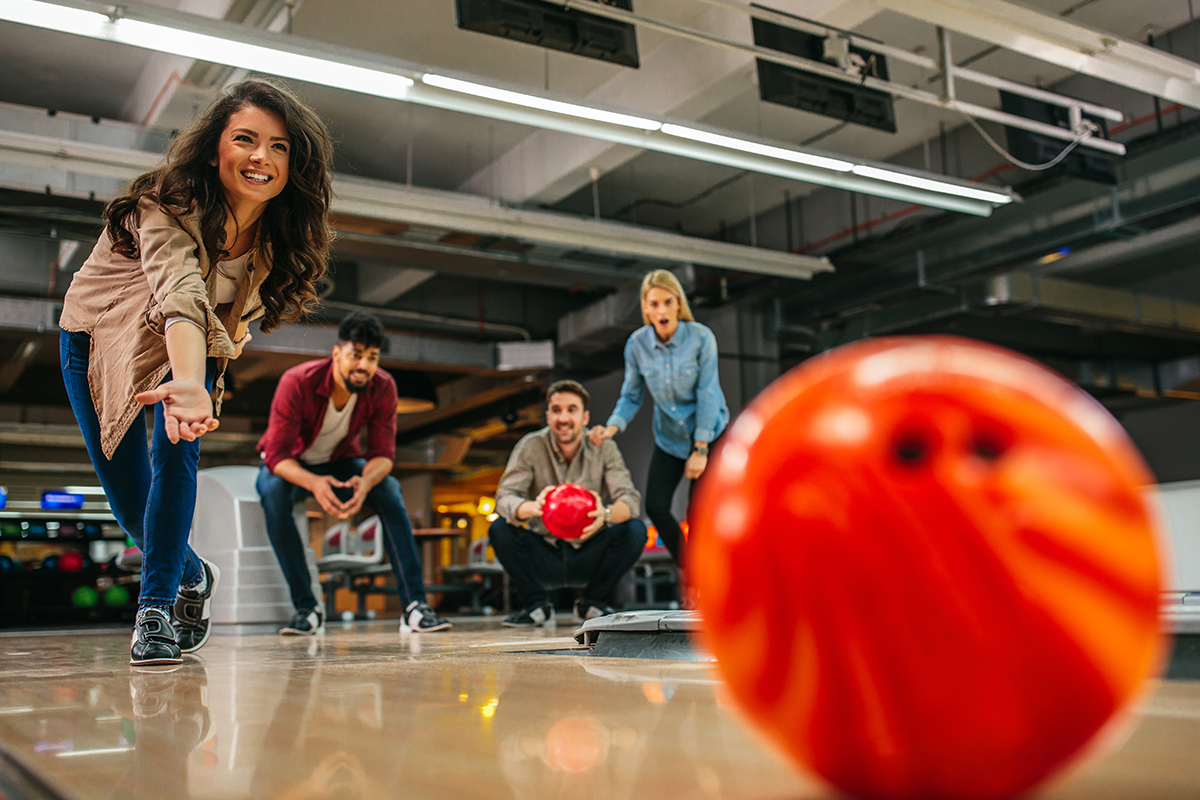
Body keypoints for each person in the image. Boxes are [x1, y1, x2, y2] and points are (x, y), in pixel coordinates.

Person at [59, 79, 335, 666]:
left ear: (294, 163)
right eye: (245, 139)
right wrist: (189, 382)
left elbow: (212, 317)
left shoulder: (276, 235)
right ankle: (193, 572)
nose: (261, 157)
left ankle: (155, 610)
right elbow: (179, 290)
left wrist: (193, 381)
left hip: (194, 344)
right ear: (214, 150)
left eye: (280, 146)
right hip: (98, 340)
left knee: (177, 457)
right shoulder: (167, 202)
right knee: (129, 501)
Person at [255, 312, 452, 635]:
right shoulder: (298, 381)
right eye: (356, 355)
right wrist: (315, 483)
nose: (363, 365)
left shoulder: (383, 386)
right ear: (337, 353)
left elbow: (383, 455)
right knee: (273, 494)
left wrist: (366, 482)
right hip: (291, 465)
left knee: (389, 489)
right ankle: (307, 608)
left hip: (341, 462)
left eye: (372, 357)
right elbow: (276, 456)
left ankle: (415, 606)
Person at [588, 270, 729, 570]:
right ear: (645, 308)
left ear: (678, 304)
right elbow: (631, 396)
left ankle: (706, 575)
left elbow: (707, 393)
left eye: (668, 302)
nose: (662, 310)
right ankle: (692, 569)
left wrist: (701, 449)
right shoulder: (637, 345)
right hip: (670, 438)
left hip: (709, 434)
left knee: (699, 512)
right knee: (655, 506)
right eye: (654, 304)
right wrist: (612, 427)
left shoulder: (701, 338)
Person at [491, 380, 646, 626]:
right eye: (556, 410)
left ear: (585, 418)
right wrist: (534, 507)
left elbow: (630, 499)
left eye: (571, 410)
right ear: (548, 416)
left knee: (635, 530)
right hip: (545, 553)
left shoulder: (604, 448)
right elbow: (504, 497)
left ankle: (591, 603)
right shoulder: (531, 445)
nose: (563, 418)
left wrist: (605, 514)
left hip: (589, 552)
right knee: (499, 529)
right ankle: (536, 605)